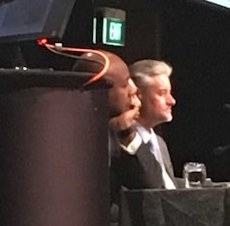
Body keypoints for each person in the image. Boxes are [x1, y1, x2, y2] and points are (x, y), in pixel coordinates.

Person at [73, 51, 163, 223]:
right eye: (124, 84)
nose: (133, 89)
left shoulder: (119, 134)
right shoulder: (67, 133)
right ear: (99, 89)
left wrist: (126, 132)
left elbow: (153, 184)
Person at [130, 59, 180, 189]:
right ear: (137, 95)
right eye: (162, 93)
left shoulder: (160, 143)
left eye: (170, 93)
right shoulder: (123, 143)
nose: (172, 101)